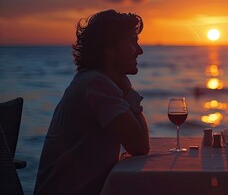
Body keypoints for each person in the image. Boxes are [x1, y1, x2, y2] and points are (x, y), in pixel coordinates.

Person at [35, 10, 150, 194]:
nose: (139, 50)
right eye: (132, 42)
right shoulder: (97, 85)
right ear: (109, 50)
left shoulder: (92, 81)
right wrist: (129, 91)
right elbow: (140, 146)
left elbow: (139, 144)